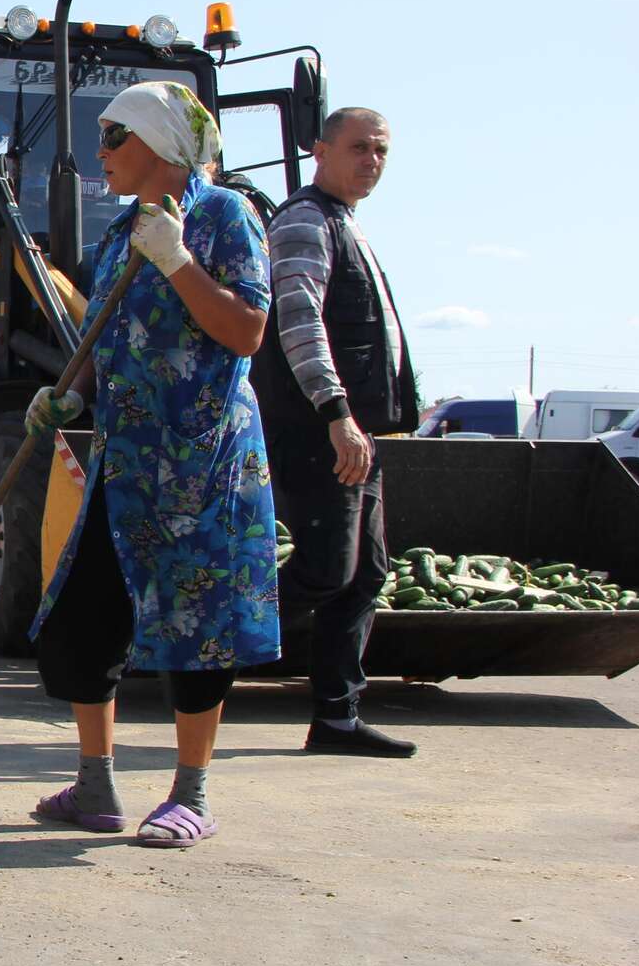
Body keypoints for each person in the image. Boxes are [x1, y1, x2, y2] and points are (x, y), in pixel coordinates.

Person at [24, 80, 280, 848]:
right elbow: (110, 337)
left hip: (202, 463)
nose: (98, 152)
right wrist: (67, 395)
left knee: (196, 625)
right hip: (127, 459)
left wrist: (175, 261)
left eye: (112, 137)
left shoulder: (222, 216)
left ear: (160, 145)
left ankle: (190, 793)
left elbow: (246, 330)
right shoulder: (117, 235)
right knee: (78, 620)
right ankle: (96, 784)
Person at [249, 108, 419, 758]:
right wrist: (336, 413)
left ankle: (337, 718)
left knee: (363, 573)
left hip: (357, 433)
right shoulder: (303, 221)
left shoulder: (346, 224)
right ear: (319, 150)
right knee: (324, 570)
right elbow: (298, 322)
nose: (371, 159)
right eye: (358, 148)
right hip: (321, 431)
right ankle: (202, 651)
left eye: (380, 149)